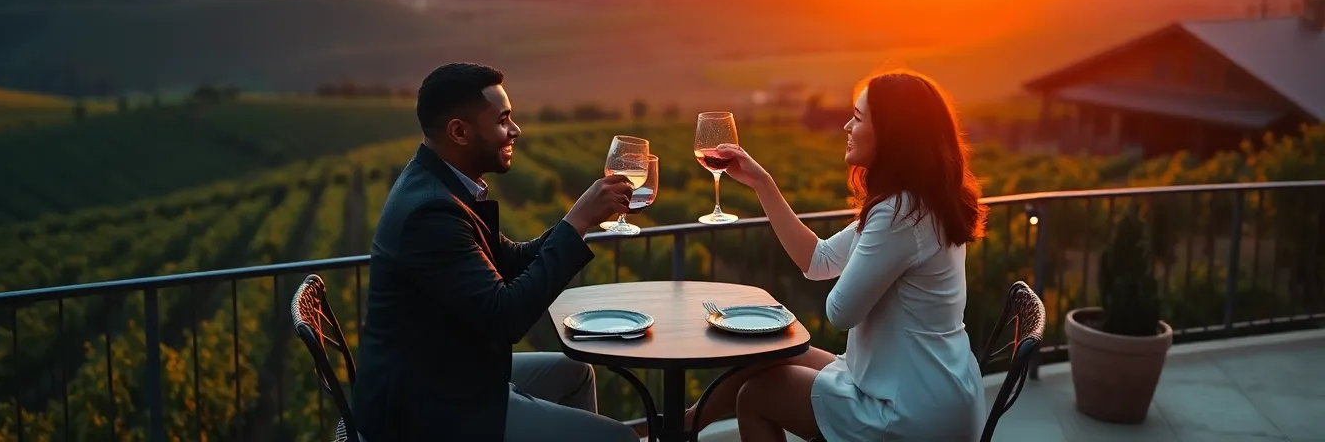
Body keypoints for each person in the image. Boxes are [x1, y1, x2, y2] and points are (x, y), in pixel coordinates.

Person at [688, 69, 988, 441]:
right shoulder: (919, 200)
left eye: (859, 118)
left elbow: (840, 312)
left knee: (758, 395)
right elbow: (820, 260)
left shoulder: (898, 214)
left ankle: (677, 426)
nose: (847, 125)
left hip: (910, 409)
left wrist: (866, 263)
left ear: (893, 134)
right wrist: (761, 182)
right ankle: (685, 424)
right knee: (767, 353)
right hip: (927, 385)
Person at [356, 63, 640, 442]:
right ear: (459, 131)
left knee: (574, 374)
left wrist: (579, 220)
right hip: (429, 408)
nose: (515, 130)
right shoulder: (430, 213)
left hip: (453, 374)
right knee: (618, 439)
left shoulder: (442, 185)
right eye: (503, 120)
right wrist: (576, 221)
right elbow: (506, 315)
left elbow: (508, 260)